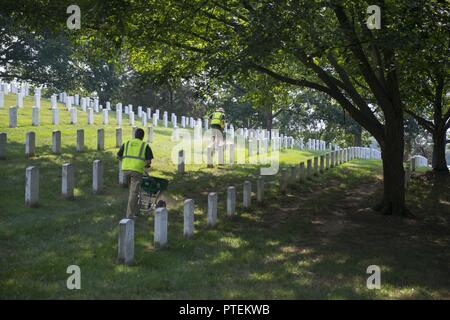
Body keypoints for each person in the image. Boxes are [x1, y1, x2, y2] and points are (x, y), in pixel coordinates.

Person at [117, 128, 154, 218]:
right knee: (134, 193)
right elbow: (148, 161)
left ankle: (137, 211)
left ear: (135, 135)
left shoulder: (127, 143)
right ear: (143, 136)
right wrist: (144, 166)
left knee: (135, 191)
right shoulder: (145, 146)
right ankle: (129, 216)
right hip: (137, 171)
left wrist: (126, 162)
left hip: (125, 170)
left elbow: (118, 156)